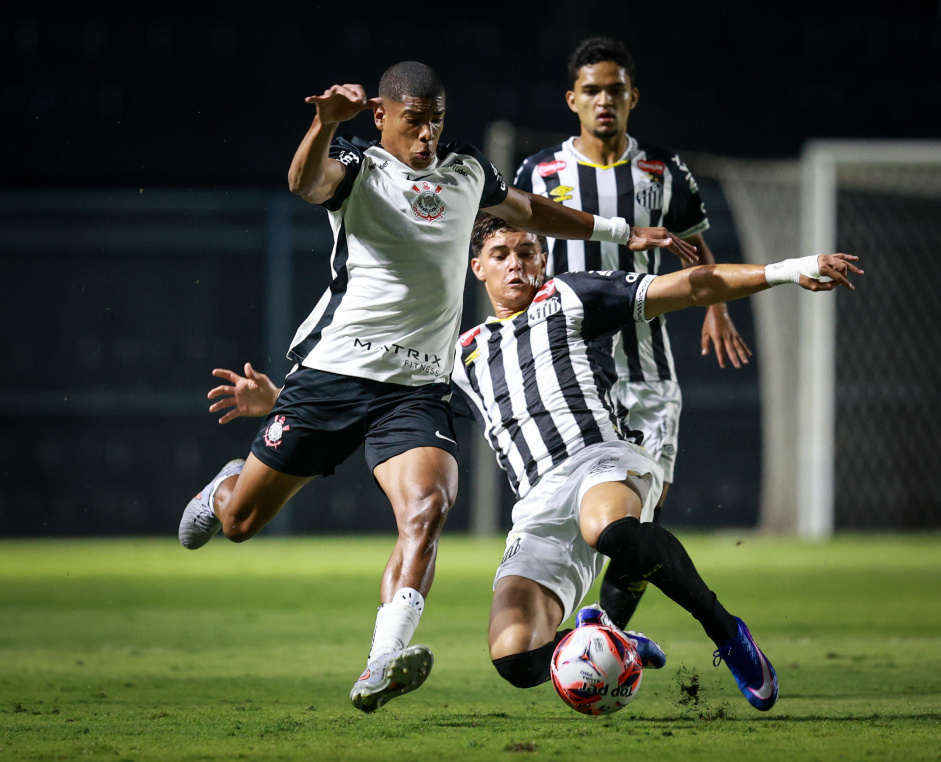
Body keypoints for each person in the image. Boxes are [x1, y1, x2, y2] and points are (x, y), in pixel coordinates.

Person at [177, 60, 697, 714]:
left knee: (426, 509)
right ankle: (224, 487)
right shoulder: (359, 166)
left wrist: (619, 232)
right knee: (240, 522)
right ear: (381, 116)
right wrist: (323, 123)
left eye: (436, 121)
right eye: (414, 121)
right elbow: (305, 181)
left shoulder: (466, 170)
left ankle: (381, 660)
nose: (427, 135)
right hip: (333, 376)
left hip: (416, 387)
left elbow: (529, 209)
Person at [448, 214, 862, 711]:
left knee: (610, 529)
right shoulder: (459, 355)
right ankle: (614, 640)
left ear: (543, 259)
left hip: (598, 459)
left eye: (526, 252)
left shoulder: (569, 295)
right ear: (477, 267)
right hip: (536, 501)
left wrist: (787, 270)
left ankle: (727, 633)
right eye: (500, 255)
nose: (515, 264)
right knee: (515, 659)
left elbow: (690, 286)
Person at [514, 37, 751, 630]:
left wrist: (716, 308)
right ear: (572, 99)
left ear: (632, 97)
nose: (604, 101)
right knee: (577, 513)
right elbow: (512, 250)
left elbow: (694, 244)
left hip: (646, 369)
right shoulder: (539, 172)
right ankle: (580, 630)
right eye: (592, 90)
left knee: (644, 516)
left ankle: (606, 636)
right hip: (569, 375)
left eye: (615, 90)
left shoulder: (662, 171)